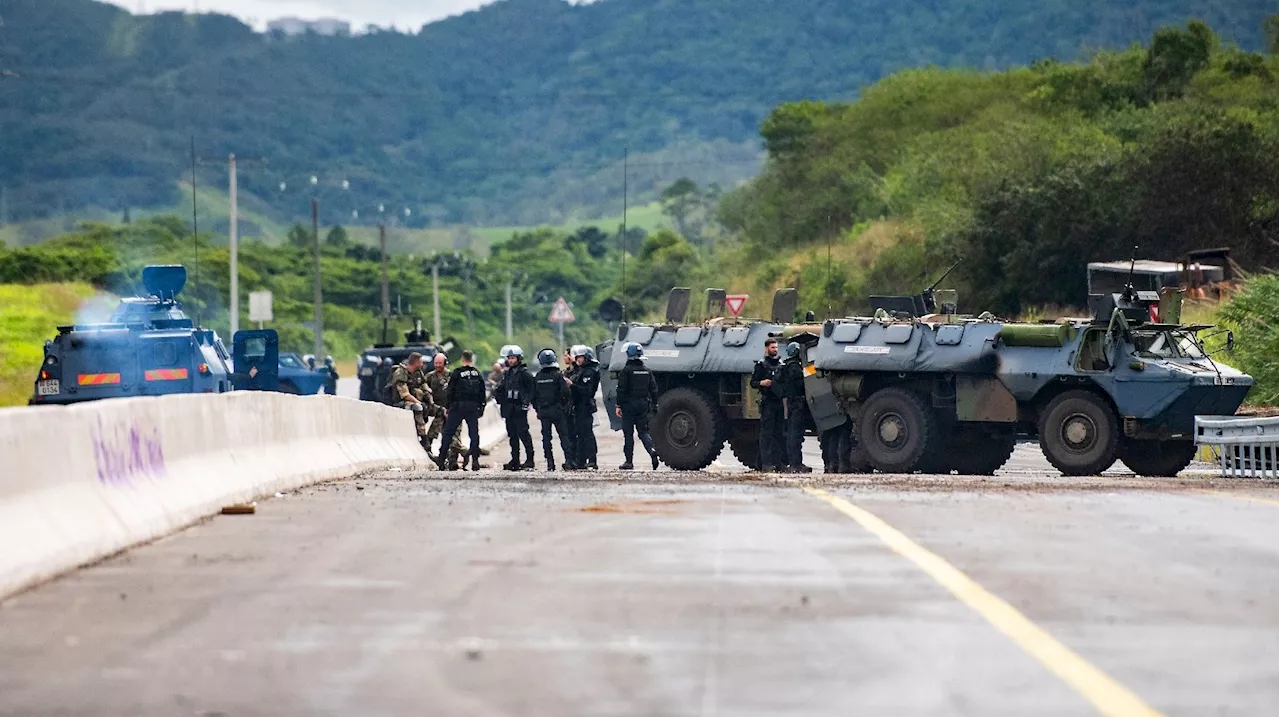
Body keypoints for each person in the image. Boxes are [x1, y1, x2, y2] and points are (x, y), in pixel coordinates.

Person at [436, 350, 488, 472]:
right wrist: (481, 407)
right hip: (472, 407)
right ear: (472, 359)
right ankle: (475, 462)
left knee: (448, 434)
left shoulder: (457, 373)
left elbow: (450, 391)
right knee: (474, 434)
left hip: (457, 407)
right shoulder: (477, 374)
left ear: (462, 359)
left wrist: (448, 407)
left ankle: (441, 460)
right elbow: (482, 392)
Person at [615, 342, 660, 471]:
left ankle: (629, 462)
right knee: (643, 432)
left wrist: (618, 405)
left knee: (628, 434)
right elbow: (654, 389)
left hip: (629, 406)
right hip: (643, 405)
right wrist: (655, 404)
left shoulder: (626, 371)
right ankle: (652, 450)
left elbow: (621, 389)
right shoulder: (647, 371)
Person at [531, 348, 573, 471]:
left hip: (544, 411)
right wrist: (563, 405)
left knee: (546, 438)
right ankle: (569, 461)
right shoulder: (558, 375)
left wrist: (538, 409)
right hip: (557, 410)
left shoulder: (538, 376)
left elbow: (533, 396)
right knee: (564, 436)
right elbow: (566, 393)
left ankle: (550, 463)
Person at [497, 345, 536, 471]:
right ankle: (515, 460)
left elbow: (532, 390)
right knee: (512, 436)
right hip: (509, 408)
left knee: (524, 434)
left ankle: (530, 459)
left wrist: (526, 402)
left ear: (519, 358)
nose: (510, 360)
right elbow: (502, 389)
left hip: (519, 408)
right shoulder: (507, 374)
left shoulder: (525, 374)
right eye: (509, 358)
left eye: (513, 358)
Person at [424, 353, 466, 467]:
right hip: (438, 411)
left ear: (445, 363)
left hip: (453, 410)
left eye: (440, 363)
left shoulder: (452, 376)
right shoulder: (429, 377)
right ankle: (439, 456)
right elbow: (424, 391)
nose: (437, 365)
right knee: (436, 433)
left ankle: (453, 460)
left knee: (455, 435)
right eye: (436, 363)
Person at [750, 338, 785, 471]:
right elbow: (753, 383)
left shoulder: (781, 365)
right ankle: (766, 463)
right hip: (768, 402)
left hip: (778, 402)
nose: (775, 350)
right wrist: (762, 383)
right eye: (772, 348)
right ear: (766, 349)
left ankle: (778, 462)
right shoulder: (761, 365)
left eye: (776, 348)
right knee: (766, 434)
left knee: (778, 434)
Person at [387, 352, 430, 453]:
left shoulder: (418, 371)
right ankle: (424, 439)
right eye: (421, 362)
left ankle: (434, 440)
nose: (422, 364)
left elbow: (424, 385)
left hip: (416, 399)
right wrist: (419, 402)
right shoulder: (400, 373)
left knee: (440, 411)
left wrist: (429, 396)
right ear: (416, 362)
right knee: (417, 408)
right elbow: (404, 394)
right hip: (402, 402)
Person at [780, 341, 812, 473]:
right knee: (795, 435)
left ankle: (794, 463)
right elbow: (803, 377)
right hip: (797, 404)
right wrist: (812, 368)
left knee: (794, 435)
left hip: (793, 404)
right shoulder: (793, 367)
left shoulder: (787, 366)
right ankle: (795, 464)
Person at [569, 344, 600, 470]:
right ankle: (580, 461)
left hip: (585, 405)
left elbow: (587, 391)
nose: (578, 360)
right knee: (580, 434)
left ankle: (592, 460)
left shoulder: (589, 372)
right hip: (578, 406)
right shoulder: (581, 370)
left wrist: (572, 385)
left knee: (587, 434)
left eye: (580, 357)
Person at [562, 347, 583, 469]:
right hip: (566, 406)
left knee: (577, 435)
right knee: (569, 435)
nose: (565, 358)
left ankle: (578, 460)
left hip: (577, 405)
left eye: (566, 355)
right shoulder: (565, 372)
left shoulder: (578, 371)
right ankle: (570, 459)